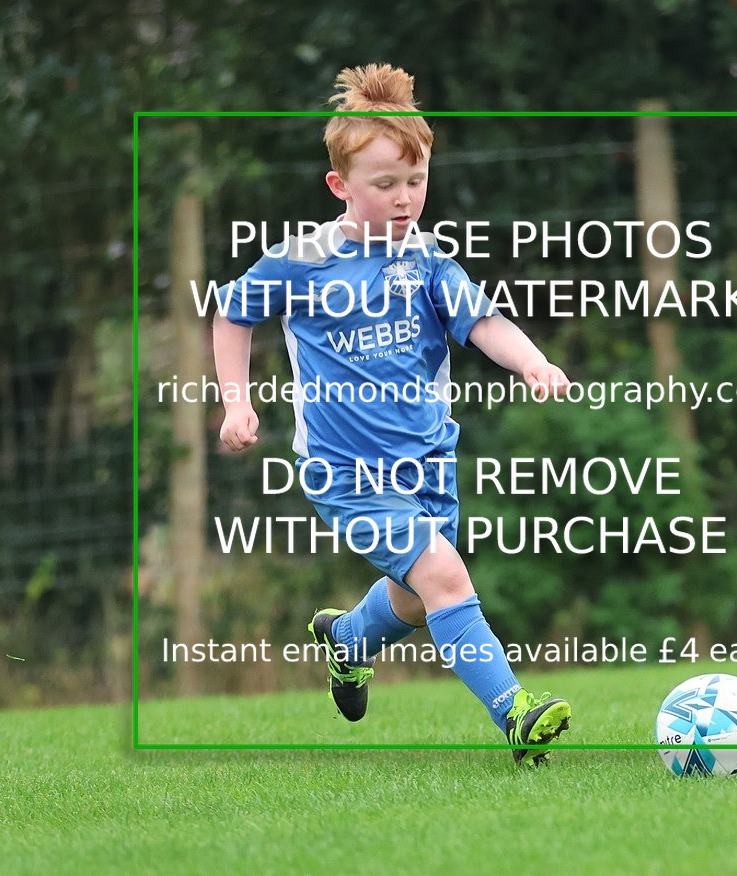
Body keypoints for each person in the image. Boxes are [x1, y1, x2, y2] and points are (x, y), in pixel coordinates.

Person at [213, 63, 572, 765]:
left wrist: (531, 361)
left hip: (428, 460)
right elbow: (232, 312)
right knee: (444, 577)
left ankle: (350, 638)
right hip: (346, 472)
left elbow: (484, 323)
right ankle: (517, 713)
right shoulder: (302, 260)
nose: (406, 199)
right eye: (386, 185)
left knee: (415, 599)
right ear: (340, 186)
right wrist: (236, 400)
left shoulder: (431, 260)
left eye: (417, 181)